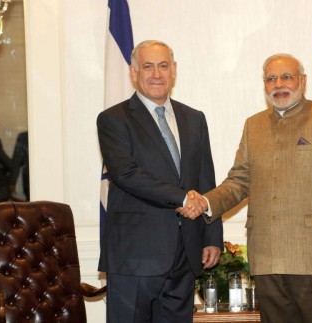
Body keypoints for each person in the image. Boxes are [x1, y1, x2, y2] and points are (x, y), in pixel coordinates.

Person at [179, 53, 312, 323]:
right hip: (266, 257)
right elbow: (239, 181)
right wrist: (205, 203)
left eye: (286, 77)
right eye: (271, 79)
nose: (279, 84)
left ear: (303, 80)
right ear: (264, 85)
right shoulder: (253, 126)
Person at [97, 40, 223, 323]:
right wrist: (182, 198)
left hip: (185, 254)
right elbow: (126, 173)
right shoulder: (113, 119)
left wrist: (212, 237)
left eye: (163, 66)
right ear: (133, 72)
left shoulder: (194, 118)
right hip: (135, 254)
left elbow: (206, 178)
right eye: (148, 66)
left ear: (174, 70)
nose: (157, 74)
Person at [9, 131, 30, 201]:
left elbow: (16, 161)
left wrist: (12, 182)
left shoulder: (23, 137)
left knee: (31, 208)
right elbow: (16, 162)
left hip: (29, 180)